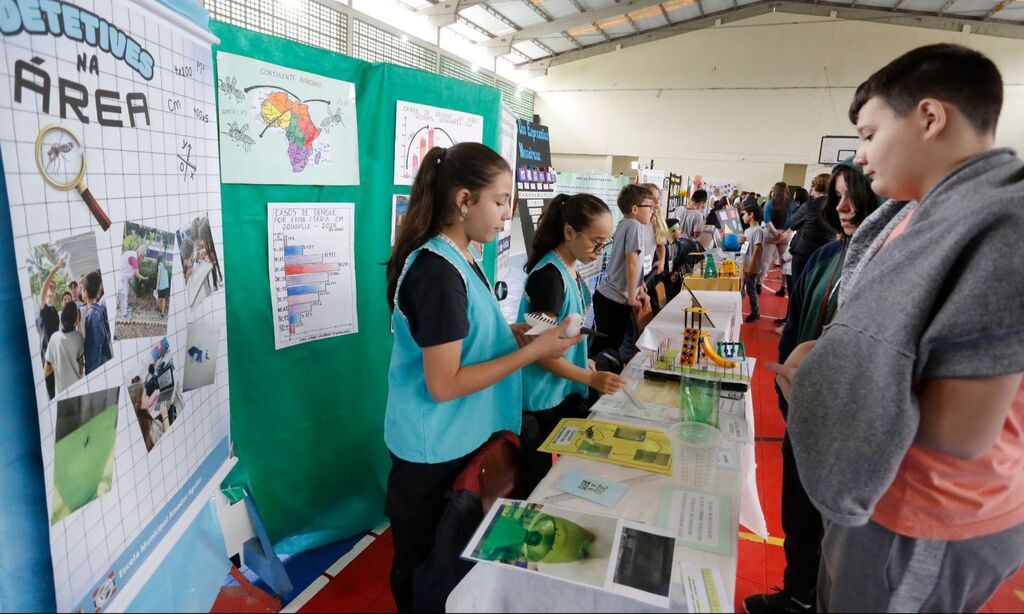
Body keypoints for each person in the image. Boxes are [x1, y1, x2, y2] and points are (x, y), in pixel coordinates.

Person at [773, 44, 1024, 612]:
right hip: (877, 489)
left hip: (932, 515)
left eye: (868, 133)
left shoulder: (1004, 229)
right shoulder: (908, 213)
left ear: (930, 117)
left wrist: (823, 384)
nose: (859, 157)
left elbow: (962, 431)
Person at [383, 142, 581, 613]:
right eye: (499, 200)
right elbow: (444, 383)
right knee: (425, 568)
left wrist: (508, 337)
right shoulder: (437, 271)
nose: (507, 212)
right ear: (463, 200)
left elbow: (464, 339)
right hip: (433, 451)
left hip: (460, 438)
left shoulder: (464, 257)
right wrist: (532, 350)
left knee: (452, 562)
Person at [743, 160, 882, 614]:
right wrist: (787, 382)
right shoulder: (827, 255)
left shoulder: (890, 264)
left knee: (841, 537)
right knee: (799, 515)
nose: (842, 207)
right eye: (837, 196)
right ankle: (797, 593)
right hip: (803, 413)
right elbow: (792, 329)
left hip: (850, 427)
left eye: (852, 196)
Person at [518, 193, 626, 487]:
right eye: (596, 241)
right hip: (540, 398)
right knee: (538, 483)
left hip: (561, 388)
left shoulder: (570, 269)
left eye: (607, 242)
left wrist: (583, 361)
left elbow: (564, 334)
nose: (601, 250)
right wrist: (590, 378)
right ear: (569, 233)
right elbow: (539, 352)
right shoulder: (549, 279)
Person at [591, 184, 653, 365]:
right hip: (613, 300)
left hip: (610, 297)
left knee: (609, 346)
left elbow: (636, 265)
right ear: (635, 209)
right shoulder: (634, 226)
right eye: (649, 207)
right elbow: (632, 262)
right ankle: (592, 386)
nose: (652, 211)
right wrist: (633, 295)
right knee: (606, 349)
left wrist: (639, 289)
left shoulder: (626, 223)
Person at [787, 173, 834, 284]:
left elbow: (793, 223)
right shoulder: (836, 205)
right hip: (826, 252)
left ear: (817, 187)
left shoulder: (809, 205)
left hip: (804, 251)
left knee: (798, 286)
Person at [36, 259, 64, 399]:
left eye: (54, 287)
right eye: (49, 287)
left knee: (58, 390)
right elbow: (44, 288)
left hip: (56, 356)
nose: (51, 289)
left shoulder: (54, 310)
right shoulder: (43, 308)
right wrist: (54, 269)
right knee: (50, 393)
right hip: (46, 358)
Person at [762, 182, 795, 297]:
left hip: (771, 235)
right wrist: (785, 233)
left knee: (766, 261)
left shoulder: (771, 203)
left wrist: (775, 232)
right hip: (785, 236)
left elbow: (767, 219)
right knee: (783, 263)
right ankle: (783, 287)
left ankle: (759, 285)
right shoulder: (791, 204)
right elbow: (794, 222)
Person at [44, 301, 84, 395]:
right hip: (78, 386)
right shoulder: (78, 337)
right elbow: (81, 370)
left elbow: (47, 369)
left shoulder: (54, 338)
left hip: (61, 392)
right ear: (75, 319)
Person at [82, 271, 112, 374]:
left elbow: (94, 352)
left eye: (82, 288)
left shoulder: (92, 316)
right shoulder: (101, 309)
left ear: (85, 292)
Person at [739, 202, 764, 322]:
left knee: (751, 289)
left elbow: (758, 248)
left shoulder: (758, 230)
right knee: (743, 287)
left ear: (752, 215)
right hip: (745, 264)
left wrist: (752, 266)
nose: (742, 216)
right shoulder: (748, 230)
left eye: (744, 214)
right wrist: (742, 242)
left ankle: (755, 312)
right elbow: (746, 247)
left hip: (751, 266)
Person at [117, 250, 147, 320]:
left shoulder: (133, 254)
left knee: (125, 293)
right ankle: (124, 315)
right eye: (143, 257)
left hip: (124, 276)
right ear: (140, 255)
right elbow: (137, 273)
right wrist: (142, 278)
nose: (142, 259)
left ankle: (125, 307)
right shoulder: (134, 258)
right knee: (123, 296)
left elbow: (135, 268)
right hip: (121, 277)